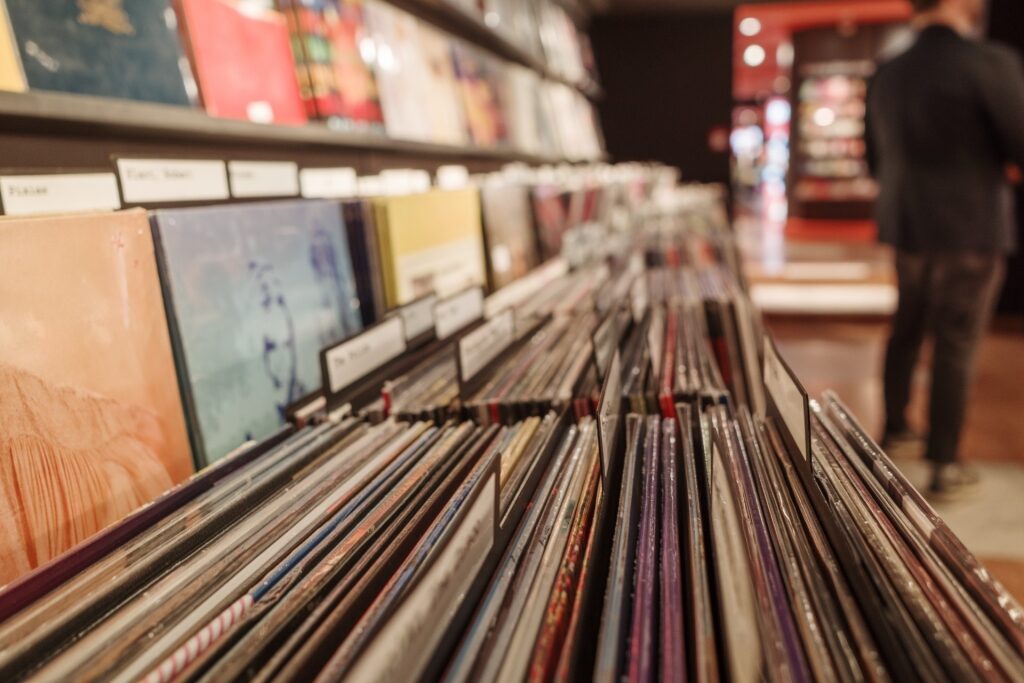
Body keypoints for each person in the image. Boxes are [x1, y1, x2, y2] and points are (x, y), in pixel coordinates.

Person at [866, 0, 1024, 499]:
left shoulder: (886, 72)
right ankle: (944, 461)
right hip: (970, 226)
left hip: (906, 221)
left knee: (907, 325)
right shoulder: (990, 62)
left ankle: (895, 430)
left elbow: (874, 159)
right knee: (957, 340)